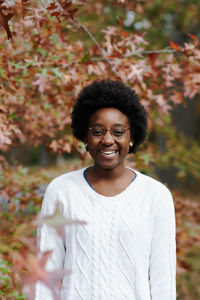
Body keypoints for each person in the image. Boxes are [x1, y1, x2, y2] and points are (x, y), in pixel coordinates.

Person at [35, 80, 176, 300]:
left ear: (132, 138)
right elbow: (47, 276)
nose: (108, 140)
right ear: (85, 137)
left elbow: (163, 281)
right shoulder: (61, 191)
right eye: (97, 131)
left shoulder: (156, 196)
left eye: (118, 132)